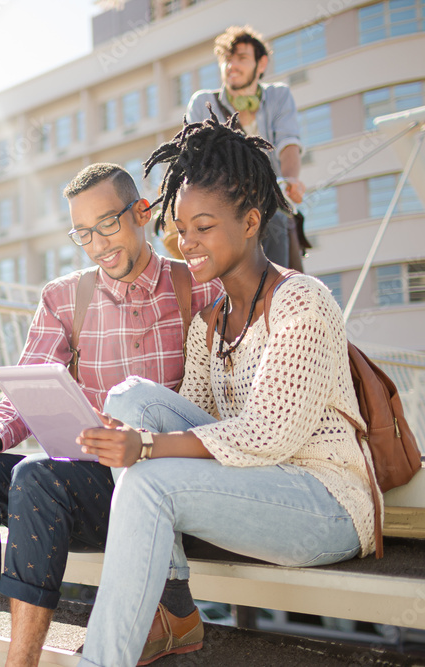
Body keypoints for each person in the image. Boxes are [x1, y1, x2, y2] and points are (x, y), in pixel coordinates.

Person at [75, 112, 377, 667]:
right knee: (129, 399)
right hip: (256, 484)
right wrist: (136, 434)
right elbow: (196, 418)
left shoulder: (300, 301)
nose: (187, 244)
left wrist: (143, 449)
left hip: (326, 502)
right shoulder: (207, 322)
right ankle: (170, 602)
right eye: (183, 230)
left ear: (252, 220)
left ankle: (124, 644)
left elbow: (268, 434)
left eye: (205, 227)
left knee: (150, 481)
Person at [0, 163, 223, 666]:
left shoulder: (197, 287)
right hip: (90, 487)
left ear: (141, 212)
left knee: (35, 476)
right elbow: (25, 394)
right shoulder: (64, 297)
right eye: (83, 233)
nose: (97, 245)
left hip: (165, 485)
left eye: (107, 225)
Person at [186, 25, 306, 268]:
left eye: (241, 58)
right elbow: (190, 154)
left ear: (261, 64)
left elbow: (288, 141)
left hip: (268, 198)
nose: (232, 66)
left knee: (277, 226)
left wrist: (291, 178)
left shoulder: (278, 96)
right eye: (227, 60)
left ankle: (278, 297)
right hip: (220, 200)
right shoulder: (203, 102)